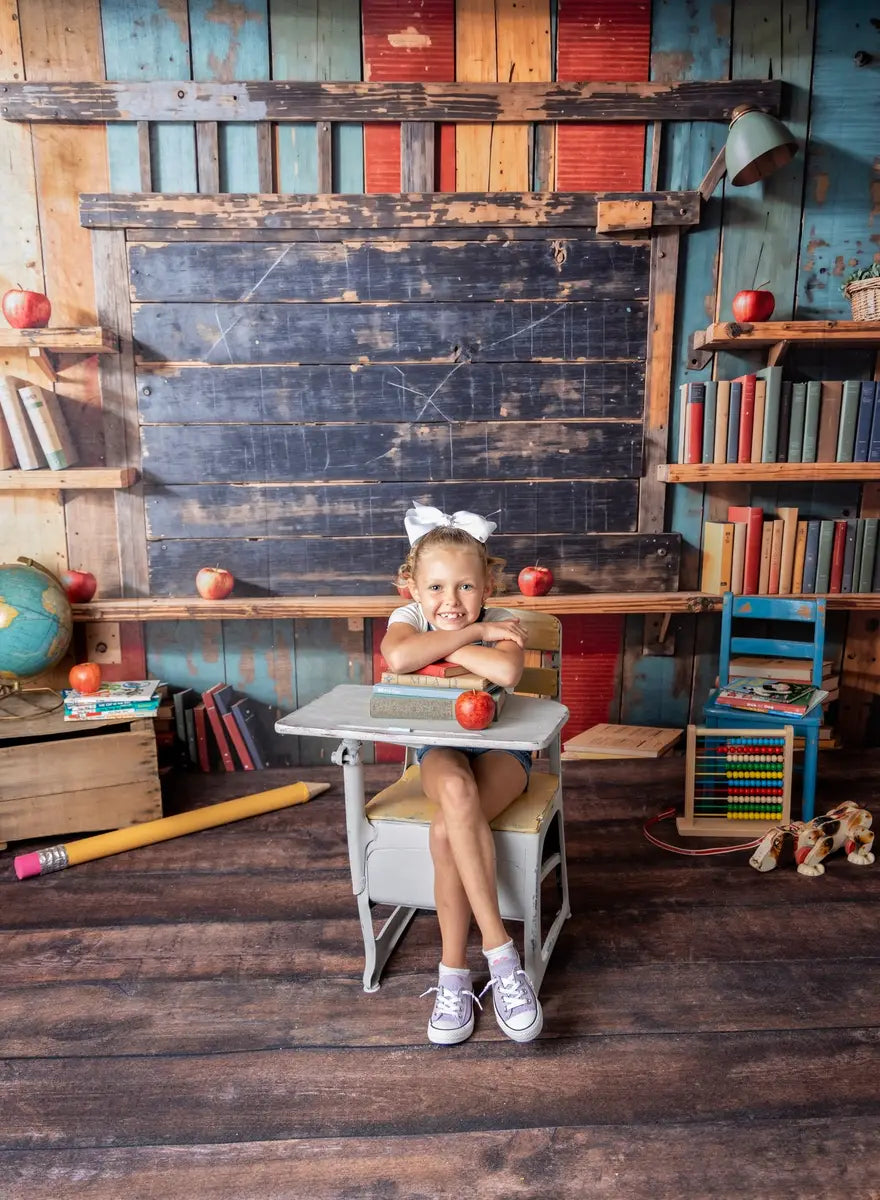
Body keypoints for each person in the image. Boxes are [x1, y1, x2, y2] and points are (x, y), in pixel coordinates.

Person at [380, 501, 543, 1046]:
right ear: (413, 588)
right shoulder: (409, 619)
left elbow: (506, 669)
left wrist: (454, 646)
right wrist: (475, 636)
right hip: (438, 748)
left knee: (449, 826)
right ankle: (502, 957)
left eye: (466, 589)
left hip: (503, 752)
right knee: (452, 788)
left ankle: (454, 972)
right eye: (437, 589)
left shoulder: (498, 626)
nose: (450, 602)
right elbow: (397, 660)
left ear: (487, 586)